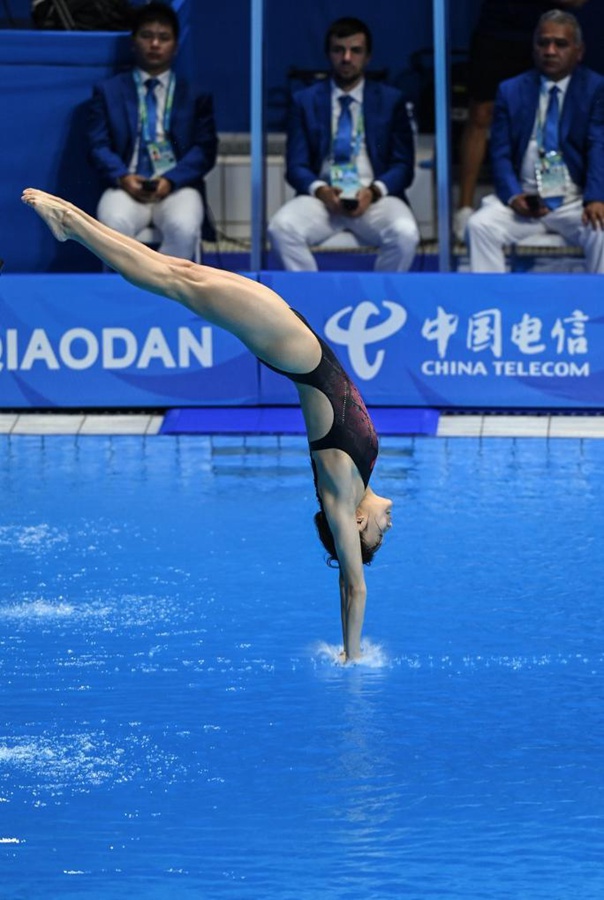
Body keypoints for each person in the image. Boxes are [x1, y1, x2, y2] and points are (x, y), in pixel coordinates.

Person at [21, 188, 393, 664]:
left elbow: (352, 585)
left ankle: (71, 221)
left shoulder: (340, 495)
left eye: (378, 534)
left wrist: (351, 653)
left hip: (289, 347)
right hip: (294, 336)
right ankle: (70, 216)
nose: (387, 524)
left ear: (356, 524)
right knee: (180, 272)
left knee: (173, 282)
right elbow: (349, 580)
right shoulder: (359, 476)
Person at [268, 16, 419, 272]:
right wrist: (321, 191)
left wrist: (373, 191)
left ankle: (380, 301)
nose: (347, 58)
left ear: (368, 57)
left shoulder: (391, 100)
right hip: (324, 198)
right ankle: (310, 302)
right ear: (329, 54)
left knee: (405, 233)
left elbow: (403, 166)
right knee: (280, 228)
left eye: (355, 51)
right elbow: (296, 166)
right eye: (339, 50)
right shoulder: (305, 101)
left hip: (375, 198)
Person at [466, 8, 604, 273]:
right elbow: (501, 153)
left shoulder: (596, 88)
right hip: (526, 200)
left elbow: (599, 143)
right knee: (479, 226)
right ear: (534, 48)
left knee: (601, 229)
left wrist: (596, 198)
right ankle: (494, 310)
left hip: (574, 201)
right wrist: (513, 195)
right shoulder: (511, 90)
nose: (550, 51)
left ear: (579, 51)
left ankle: (599, 308)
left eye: (560, 44)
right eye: (543, 43)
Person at [87, 1, 218, 261]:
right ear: (133, 42)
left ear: (176, 46)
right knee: (111, 225)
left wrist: (171, 180)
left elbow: (205, 149)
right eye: (147, 36)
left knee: (183, 227)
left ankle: (166, 297)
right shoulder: (108, 91)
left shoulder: (195, 96)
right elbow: (97, 146)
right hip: (126, 184)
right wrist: (123, 177)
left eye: (163, 38)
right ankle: (127, 299)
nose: (155, 44)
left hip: (176, 185)